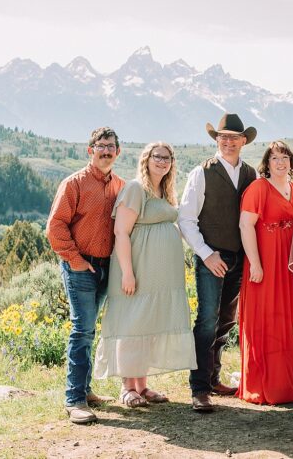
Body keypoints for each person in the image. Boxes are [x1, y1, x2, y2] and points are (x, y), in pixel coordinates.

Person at [93, 142, 196, 407]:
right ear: (146, 159)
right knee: (132, 325)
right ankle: (127, 387)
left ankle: (142, 385)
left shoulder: (164, 191)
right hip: (136, 269)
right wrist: (128, 272)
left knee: (147, 328)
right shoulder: (135, 189)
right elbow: (121, 233)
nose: (162, 161)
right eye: (157, 156)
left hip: (159, 276)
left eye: (167, 157)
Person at [178, 113, 258, 413]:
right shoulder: (202, 173)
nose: (227, 142)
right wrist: (206, 254)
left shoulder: (250, 174)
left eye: (233, 137)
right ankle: (199, 388)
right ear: (217, 140)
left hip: (239, 258)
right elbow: (186, 219)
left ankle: (213, 379)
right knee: (207, 321)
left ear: (243, 141)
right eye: (222, 137)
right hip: (211, 257)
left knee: (226, 321)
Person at [47, 127, 125, 424]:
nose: (106, 151)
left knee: (91, 328)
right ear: (89, 150)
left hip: (107, 266)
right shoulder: (74, 184)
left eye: (111, 147)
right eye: (101, 146)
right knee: (82, 330)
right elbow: (55, 227)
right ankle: (74, 399)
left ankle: (87, 390)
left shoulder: (119, 185)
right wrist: (76, 261)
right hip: (80, 266)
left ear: (118, 152)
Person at [236, 141, 293, 405]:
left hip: (289, 264)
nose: (280, 162)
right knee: (265, 320)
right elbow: (245, 225)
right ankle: (264, 386)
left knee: (286, 321)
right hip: (265, 262)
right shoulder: (258, 188)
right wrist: (255, 262)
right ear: (267, 162)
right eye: (275, 157)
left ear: (291, 162)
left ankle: (286, 382)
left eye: (285, 157)